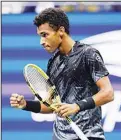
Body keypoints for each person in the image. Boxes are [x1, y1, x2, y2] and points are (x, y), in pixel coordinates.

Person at [10, 8, 114, 140]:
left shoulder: (88, 54)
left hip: (89, 135)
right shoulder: (53, 63)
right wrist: (26, 105)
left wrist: (76, 106)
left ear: (61, 31)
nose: (41, 41)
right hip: (59, 137)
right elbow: (52, 106)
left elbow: (108, 93)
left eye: (45, 34)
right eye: (40, 36)